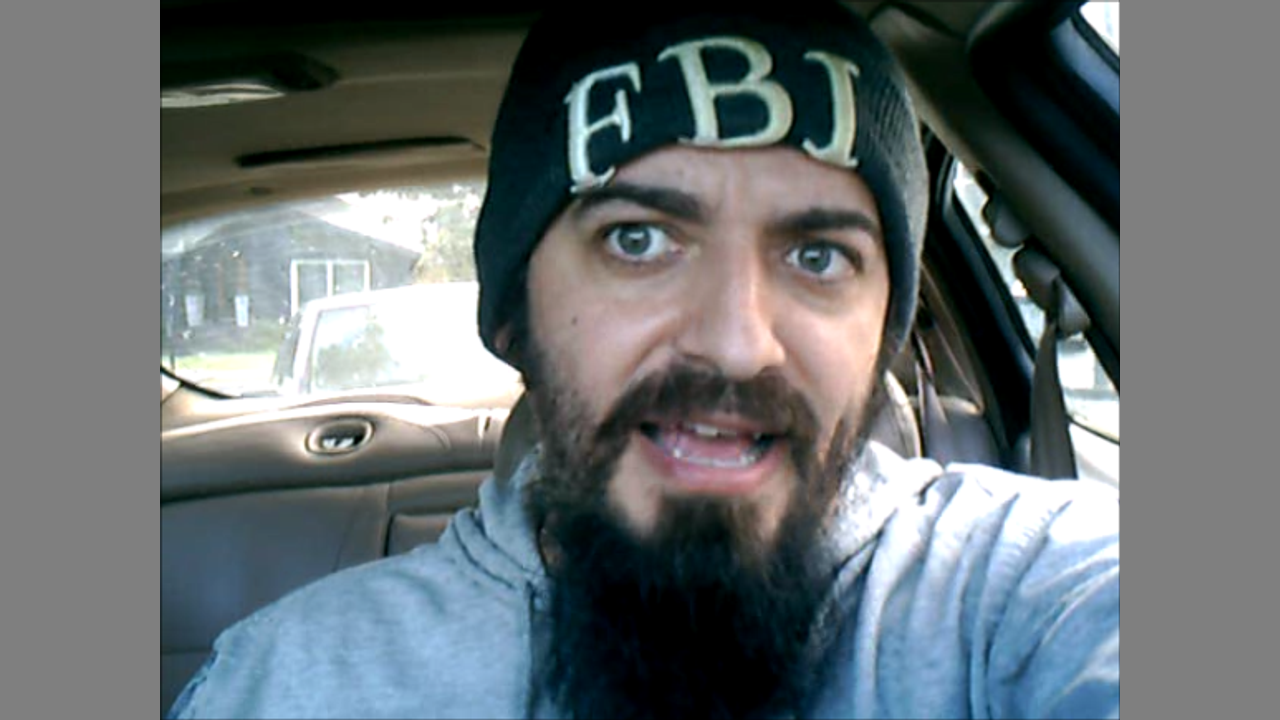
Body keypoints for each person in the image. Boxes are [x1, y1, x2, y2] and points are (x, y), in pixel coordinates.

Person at [168, 3, 1119, 718]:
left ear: (884, 330)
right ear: (513, 317)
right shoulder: (292, 681)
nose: (737, 343)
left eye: (818, 256)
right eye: (637, 241)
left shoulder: (1021, 596)